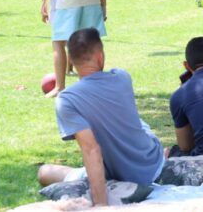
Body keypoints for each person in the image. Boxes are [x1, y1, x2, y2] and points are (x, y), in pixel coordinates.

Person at [37, 28, 165, 207]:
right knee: (139, 123)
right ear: (100, 57)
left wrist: (101, 206)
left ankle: (78, 174)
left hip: (113, 175)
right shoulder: (122, 77)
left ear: (71, 62)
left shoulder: (67, 100)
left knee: (44, 173)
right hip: (153, 166)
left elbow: (91, 151)